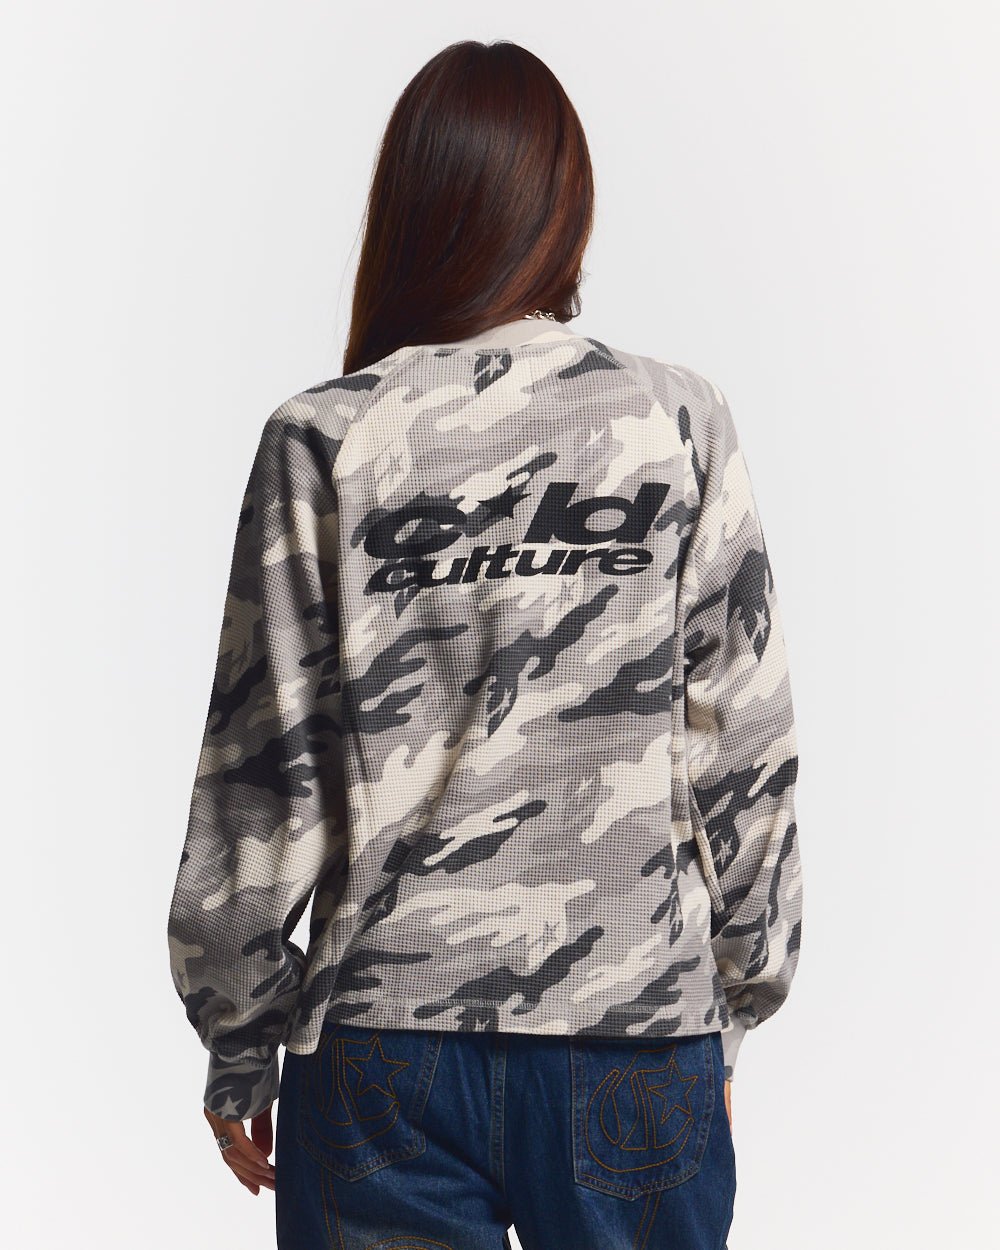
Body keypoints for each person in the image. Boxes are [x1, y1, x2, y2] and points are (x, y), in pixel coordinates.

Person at [166, 37, 802, 1250]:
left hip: (382, 1056)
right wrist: (728, 1006)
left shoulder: (326, 437)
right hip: (633, 1037)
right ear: (567, 209)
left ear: (406, 210)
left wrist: (238, 1029)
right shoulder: (674, 420)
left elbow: (261, 773)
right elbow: (744, 746)